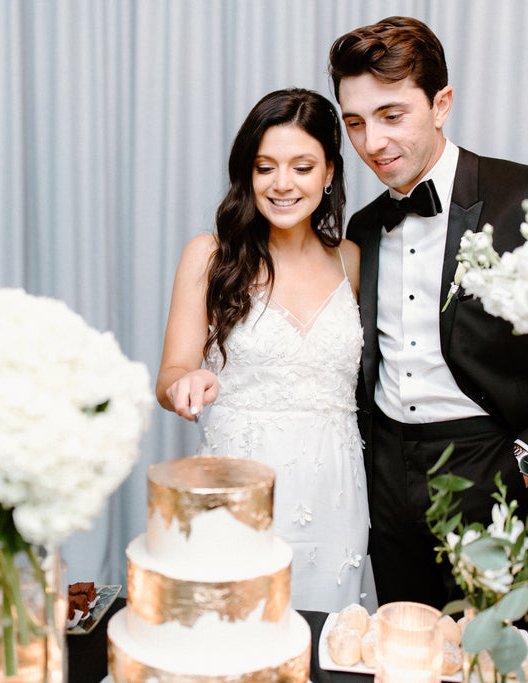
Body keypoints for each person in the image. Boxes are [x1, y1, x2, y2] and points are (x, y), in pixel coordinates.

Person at [328, 16, 528, 609]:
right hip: (384, 480)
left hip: (492, 466)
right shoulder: (365, 227)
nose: (372, 142)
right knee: (407, 651)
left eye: (392, 115)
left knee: (494, 660)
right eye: (355, 122)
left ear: (441, 103)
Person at [156, 88, 375, 612]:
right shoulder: (209, 255)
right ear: (247, 173)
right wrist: (184, 382)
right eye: (265, 167)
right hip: (239, 487)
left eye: (302, 167)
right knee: (230, 639)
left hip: (336, 495)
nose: (282, 185)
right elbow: (170, 375)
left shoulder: (354, 260)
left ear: (328, 174)